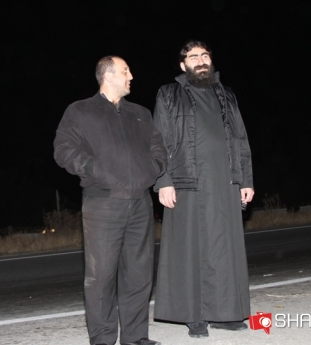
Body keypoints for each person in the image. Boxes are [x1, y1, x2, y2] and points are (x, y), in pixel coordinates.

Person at [54, 55, 167, 345]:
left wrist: (152, 169)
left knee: (139, 275)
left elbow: (157, 146)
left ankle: (135, 337)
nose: (131, 76)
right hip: (102, 203)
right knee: (101, 276)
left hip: (140, 203)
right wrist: (96, 169)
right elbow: (63, 149)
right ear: (108, 75)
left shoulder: (140, 113)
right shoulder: (81, 111)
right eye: (125, 71)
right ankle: (103, 339)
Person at [152, 40, 255, 338]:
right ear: (183, 65)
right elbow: (159, 140)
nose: (200, 60)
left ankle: (224, 313)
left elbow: (241, 139)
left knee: (223, 248)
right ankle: (194, 315)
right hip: (186, 181)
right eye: (193, 56)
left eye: (205, 55)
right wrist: (163, 180)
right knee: (189, 249)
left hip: (225, 183)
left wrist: (246, 179)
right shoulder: (168, 93)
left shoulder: (227, 95)